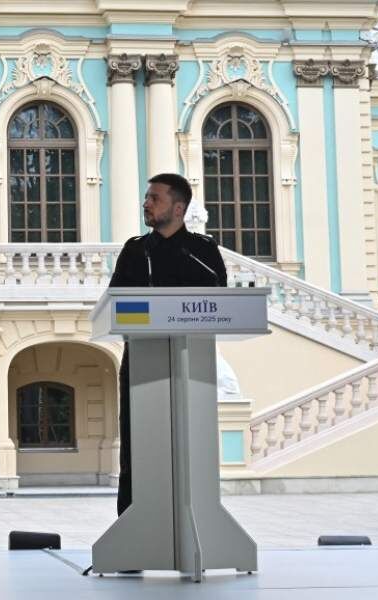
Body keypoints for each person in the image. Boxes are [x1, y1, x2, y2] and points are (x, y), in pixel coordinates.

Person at [108, 172, 227, 516]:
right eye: (146, 197)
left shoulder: (203, 251)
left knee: (191, 441)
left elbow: (220, 299)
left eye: (154, 198)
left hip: (192, 361)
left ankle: (196, 516)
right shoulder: (135, 250)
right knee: (138, 445)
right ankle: (133, 522)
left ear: (178, 208)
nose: (145, 203)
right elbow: (115, 304)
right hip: (142, 362)